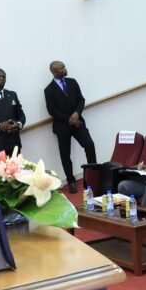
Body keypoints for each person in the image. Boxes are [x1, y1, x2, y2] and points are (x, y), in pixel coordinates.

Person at [43, 60, 96, 193]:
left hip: (78, 122)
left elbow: (81, 99)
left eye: (64, 66)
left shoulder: (72, 82)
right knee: (65, 155)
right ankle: (71, 181)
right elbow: (52, 110)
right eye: (62, 68)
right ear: (55, 72)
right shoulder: (48, 90)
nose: (65, 69)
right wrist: (69, 119)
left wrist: (76, 114)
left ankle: (94, 175)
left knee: (89, 144)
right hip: (62, 126)